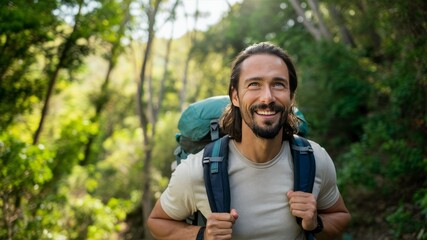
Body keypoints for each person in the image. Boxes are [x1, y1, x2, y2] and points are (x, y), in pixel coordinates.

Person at [147, 42, 351, 240]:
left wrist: (316, 223)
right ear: (235, 96)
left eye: (278, 84)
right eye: (254, 84)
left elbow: (341, 217)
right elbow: (157, 222)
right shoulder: (198, 169)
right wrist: (203, 235)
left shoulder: (315, 160)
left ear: (291, 96)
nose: (267, 97)